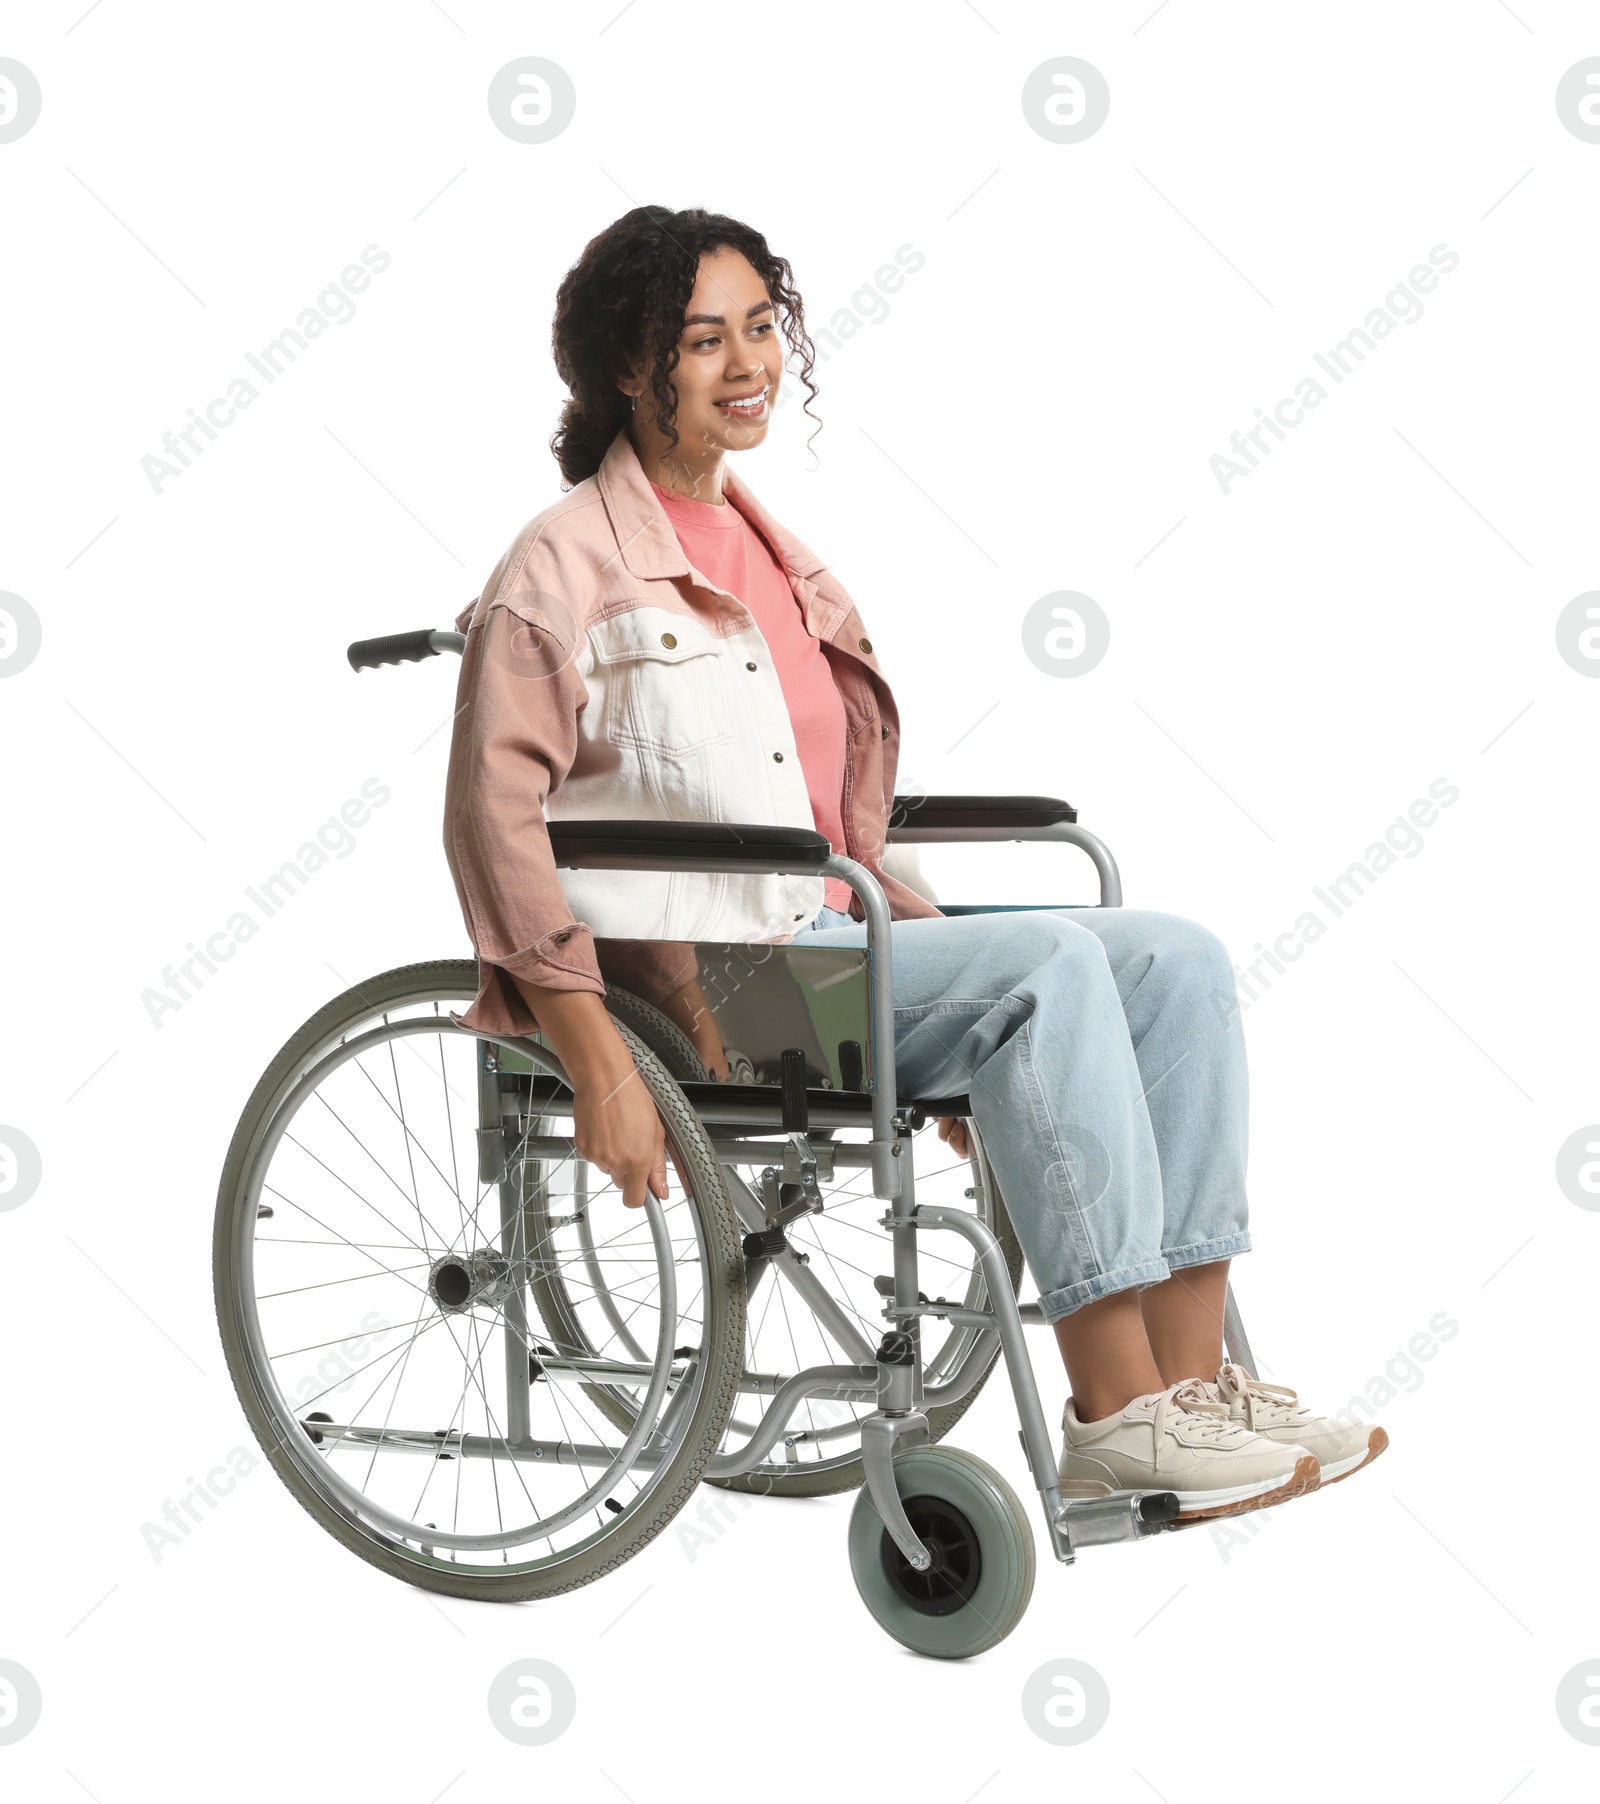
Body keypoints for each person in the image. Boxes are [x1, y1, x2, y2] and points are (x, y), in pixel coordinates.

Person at [442, 205, 1386, 1524]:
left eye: (761, 327)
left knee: (1174, 955)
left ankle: (1195, 1388)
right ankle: (1115, 1420)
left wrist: (942, 974)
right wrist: (594, 1057)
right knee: (1050, 966)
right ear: (624, 370)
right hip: (708, 980)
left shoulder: (778, 556)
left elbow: (833, 832)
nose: (748, 363)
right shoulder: (563, 563)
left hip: (827, 947)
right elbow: (495, 826)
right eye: (700, 341)